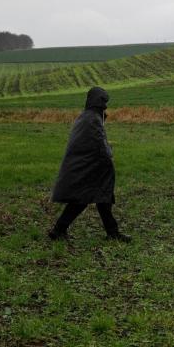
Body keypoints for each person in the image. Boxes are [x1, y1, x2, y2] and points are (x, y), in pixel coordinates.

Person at [48, 86, 131, 242]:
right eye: (104, 102)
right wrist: (109, 155)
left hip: (87, 165)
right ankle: (59, 230)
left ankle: (111, 232)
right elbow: (99, 143)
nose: (105, 106)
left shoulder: (86, 117)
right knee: (86, 200)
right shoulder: (92, 119)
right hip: (91, 166)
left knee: (99, 199)